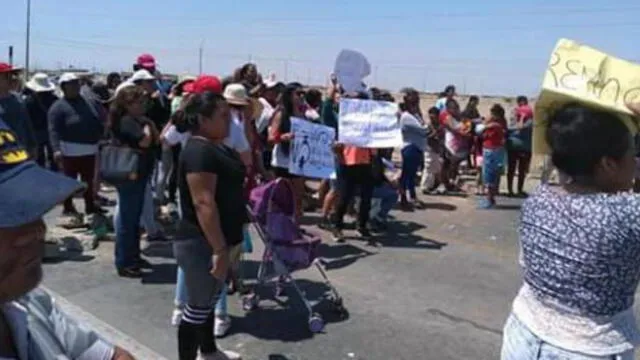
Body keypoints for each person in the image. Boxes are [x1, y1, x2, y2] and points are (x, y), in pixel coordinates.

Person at [501, 103, 640, 360]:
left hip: (524, 334)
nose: (637, 163)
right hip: (587, 348)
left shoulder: (537, 200)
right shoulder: (628, 215)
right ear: (608, 164)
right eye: (633, 154)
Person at [0, 117, 135, 360]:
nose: (38, 229)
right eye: (6, 217)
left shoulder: (26, 301)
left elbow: (115, 357)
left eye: (29, 210)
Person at [174, 91, 244, 360]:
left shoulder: (216, 147)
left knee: (209, 302)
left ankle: (209, 352)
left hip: (220, 239)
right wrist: (218, 250)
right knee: (196, 310)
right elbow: (203, 202)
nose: (229, 121)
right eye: (223, 116)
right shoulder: (198, 150)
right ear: (203, 120)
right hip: (201, 242)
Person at [109, 84, 159, 278]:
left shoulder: (135, 120)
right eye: (137, 102)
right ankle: (125, 261)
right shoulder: (128, 121)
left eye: (142, 102)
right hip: (130, 174)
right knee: (127, 220)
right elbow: (145, 141)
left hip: (139, 174)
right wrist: (146, 126)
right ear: (127, 104)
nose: (141, 105)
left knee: (133, 218)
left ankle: (133, 255)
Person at [48, 72, 104, 218]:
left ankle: (90, 206)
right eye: (70, 85)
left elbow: (97, 119)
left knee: (88, 181)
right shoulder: (58, 107)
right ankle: (68, 206)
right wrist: (56, 149)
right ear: (63, 87)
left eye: (76, 84)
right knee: (69, 182)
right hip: (69, 151)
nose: (74, 87)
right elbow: (53, 130)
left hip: (89, 149)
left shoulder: (87, 102)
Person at [268, 83, 307, 220]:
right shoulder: (281, 114)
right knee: (280, 197)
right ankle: (278, 227)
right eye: (298, 94)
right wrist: (283, 137)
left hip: (298, 161)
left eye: (303, 93)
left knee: (297, 197)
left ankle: (294, 228)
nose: (301, 96)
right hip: (282, 162)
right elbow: (271, 138)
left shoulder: (303, 114)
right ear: (289, 96)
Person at [0, 62, 37, 158]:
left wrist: (33, 146)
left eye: (12, 75)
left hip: (21, 150)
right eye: (6, 76)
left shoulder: (18, 99)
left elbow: (27, 124)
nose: (12, 79)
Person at [398, 88, 428, 208]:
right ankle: (404, 197)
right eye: (415, 102)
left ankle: (411, 196)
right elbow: (423, 129)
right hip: (410, 148)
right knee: (407, 175)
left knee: (411, 175)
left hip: (417, 147)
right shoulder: (406, 117)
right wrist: (426, 127)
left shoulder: (414, 115)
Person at [23, 73, 59, 171]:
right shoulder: (54, 99)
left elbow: (26, 118)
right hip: (52, 131)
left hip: (35, 132)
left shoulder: (29, 100)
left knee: (39, 158)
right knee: (53, 158)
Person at [477, 104, 507, 209]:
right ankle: (491, 198)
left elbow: (481, 133)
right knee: (494, 175)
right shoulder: (502, 124)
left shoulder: (493, 125)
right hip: (498, 151)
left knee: (489, 175)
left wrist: (485, 123)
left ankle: (489, 200)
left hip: (490, 150)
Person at [440, 98, 471, 192]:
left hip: (461, 145)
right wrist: (464, 132)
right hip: (450, 143)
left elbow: (466, 128)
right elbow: (454, 129)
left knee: (455, 166)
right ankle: (446, 184)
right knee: (447, 165)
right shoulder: (446, 116)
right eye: (453, 107)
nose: (456, 109)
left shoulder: (461, 118)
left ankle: (452, 183)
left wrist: (465, 130)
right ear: (448, 108)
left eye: (456, 107)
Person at [506, 95, 533, 197]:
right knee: (513, 169)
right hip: (518, 146)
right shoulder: (516, 115)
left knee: (519, 170)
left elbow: (513, 128)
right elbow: (518, 127)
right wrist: (521, 117)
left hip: (521, 146)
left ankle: (517, 190)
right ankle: (512, 190)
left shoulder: (528, 118)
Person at [420, 107, 443, 194]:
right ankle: (425, 187)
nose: (432, 118)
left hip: (436, 149)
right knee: (428, 167)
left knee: (435, 168)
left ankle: (432, 186)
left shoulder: (439, 126)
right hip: (429, 148)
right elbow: (425, 137)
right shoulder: (428, 126)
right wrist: (434, 134)